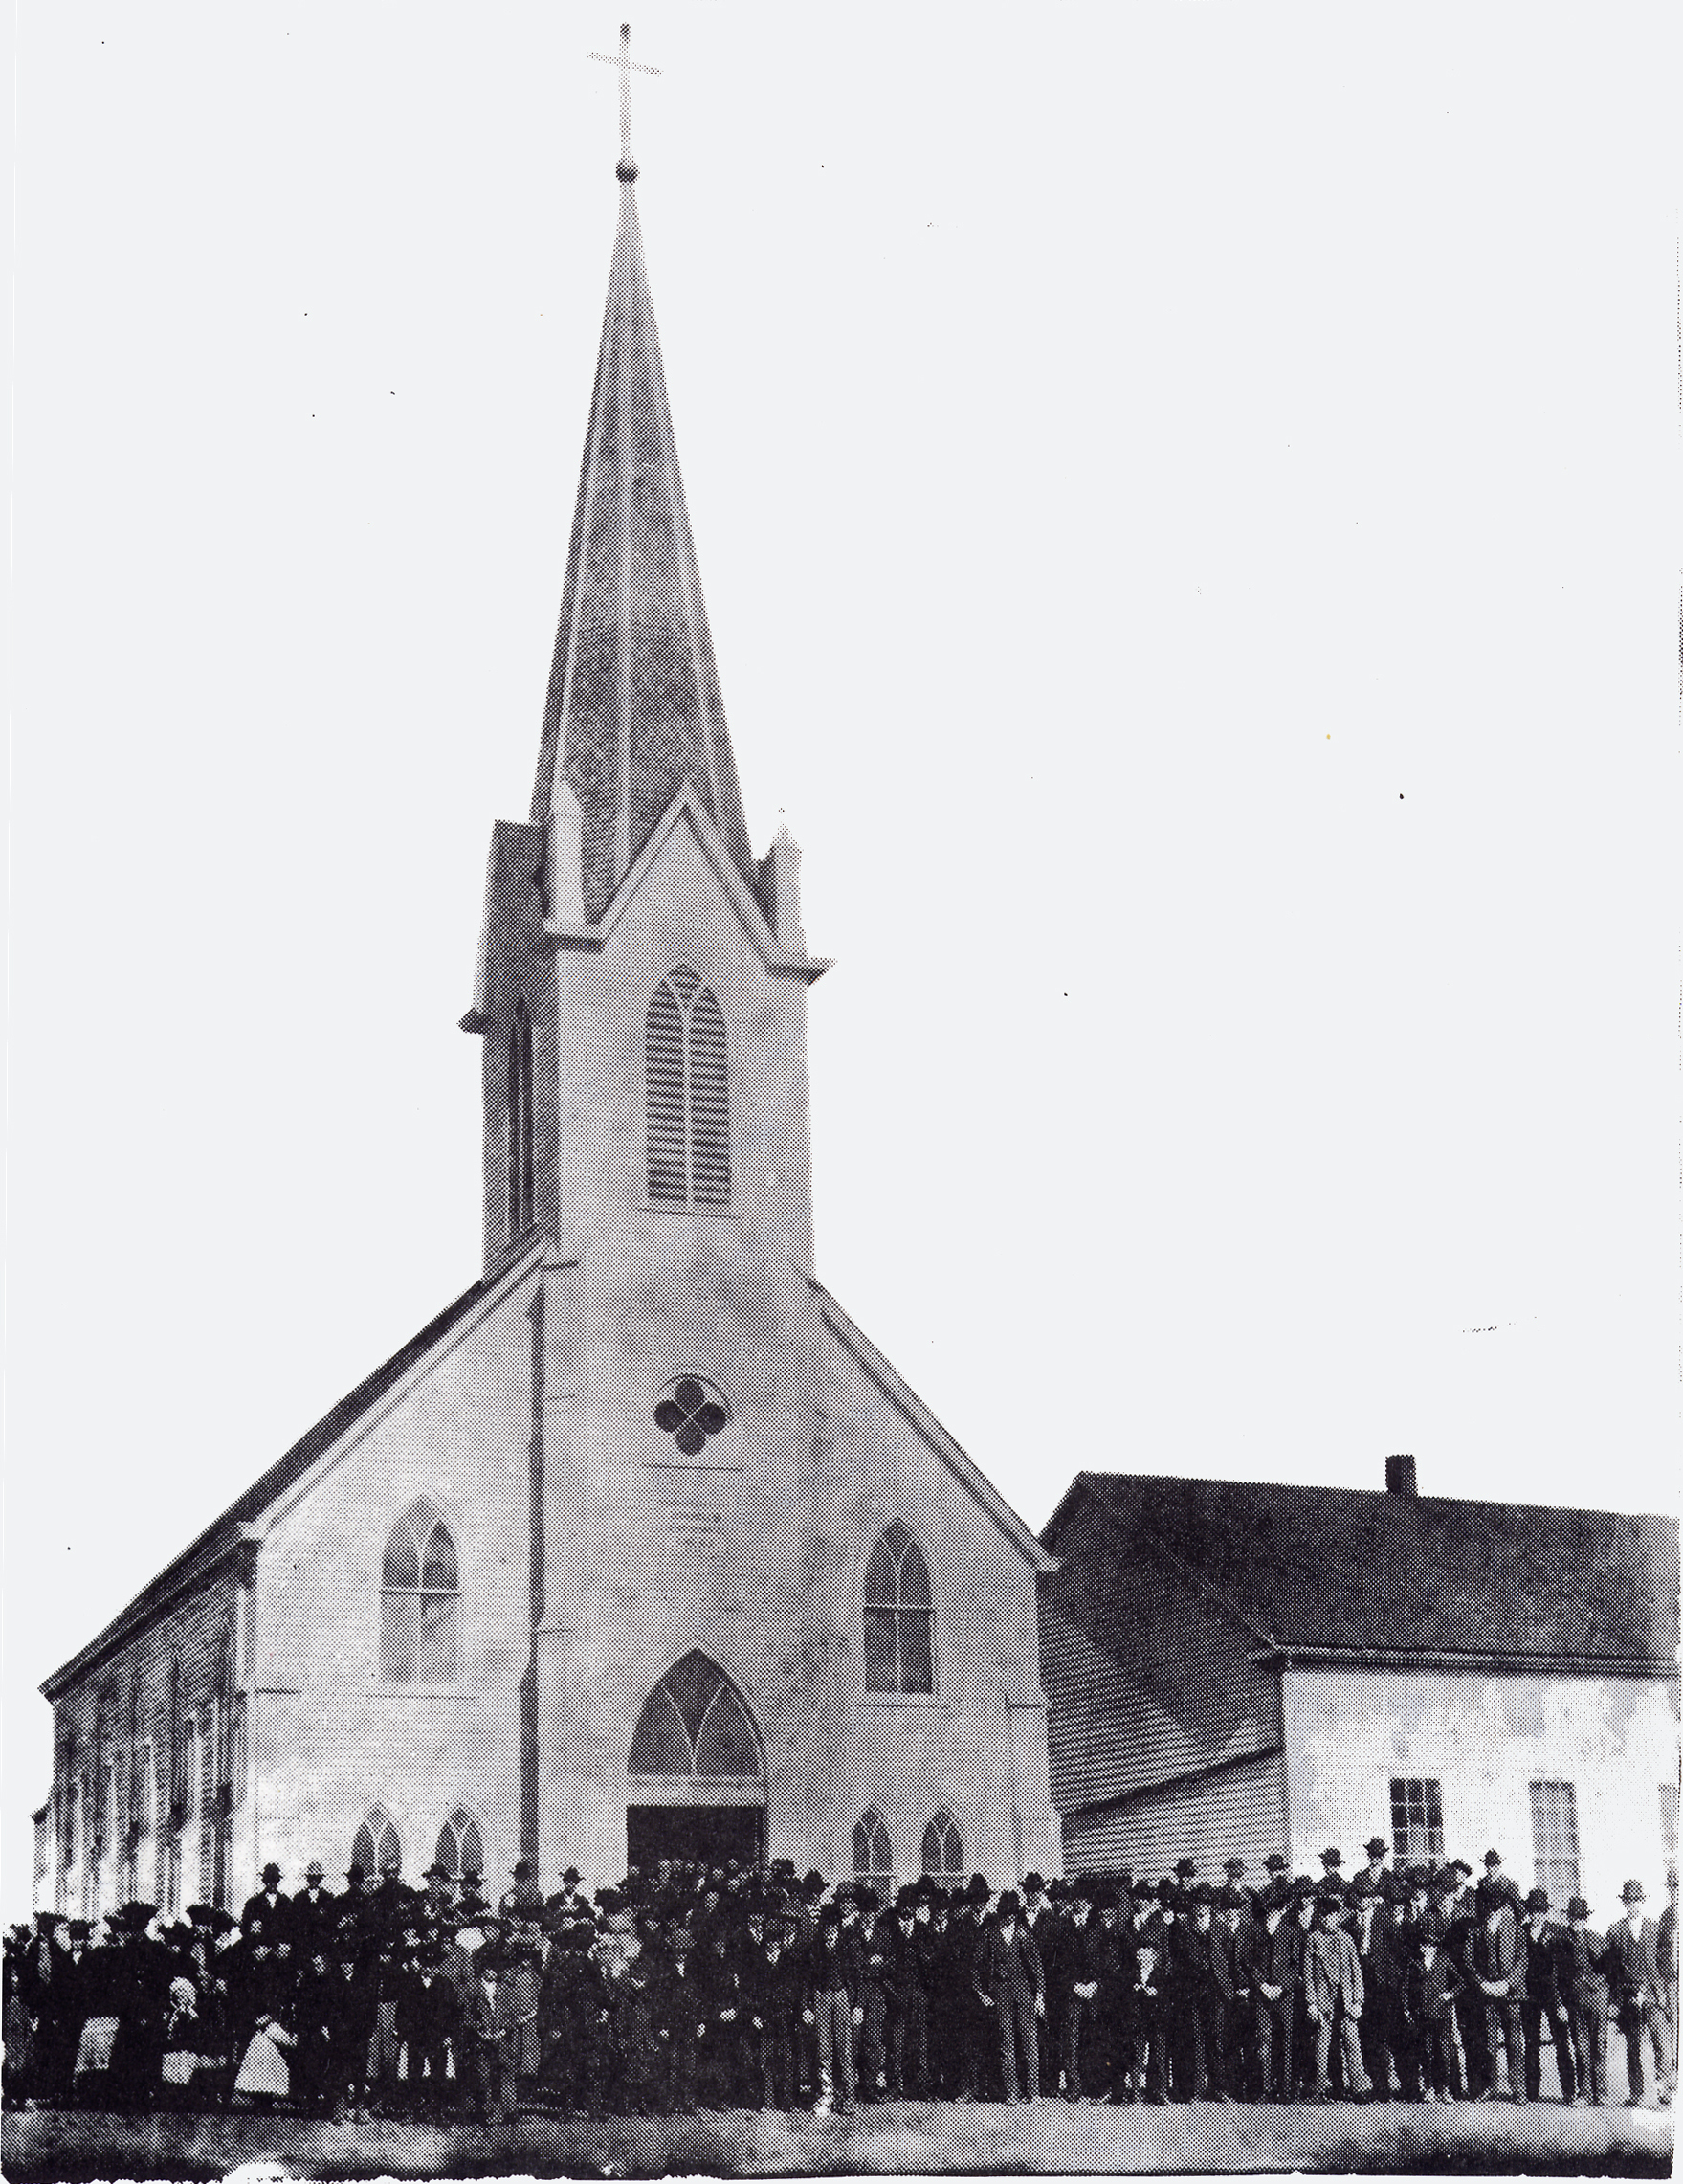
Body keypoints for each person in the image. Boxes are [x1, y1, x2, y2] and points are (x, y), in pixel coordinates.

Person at [1604, 1880, 1673, 2108]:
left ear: (1642, 1902)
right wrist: (1618, 1999)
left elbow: (1662, 1965)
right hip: (1628, 1997)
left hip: (1653, 1996)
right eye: (1629, 1901)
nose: (1633, 1905)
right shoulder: (1615, 1930)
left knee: (1661, 2041)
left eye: (1636, 1901)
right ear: (1624, 1903)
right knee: (1632, 2046)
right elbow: (1613, 1971)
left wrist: (1660, 1993)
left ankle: (1664, 2089)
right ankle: (1636, 2093)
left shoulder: (1655, 1928)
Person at [973, 1889, 1044, 2105]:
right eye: (1005, 1914)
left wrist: (1039, 1996)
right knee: (1006, 2043)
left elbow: (1037, 1967)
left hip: (1024, 1995)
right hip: (1001, 1996)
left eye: (1012, 1914)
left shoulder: (1024, 1934)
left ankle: (1033, 2093)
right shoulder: (989, 1935)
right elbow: (976, 1968)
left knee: (1030, 2042)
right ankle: (1012, 2093)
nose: (1009, 1918)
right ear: (1000, 1913)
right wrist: (982, 1994)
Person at [1305, 1893, 1371, 2102]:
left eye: (1332, 1916)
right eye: (1324, 1916)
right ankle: (1320, 2089)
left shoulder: (1347, 1939)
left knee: (1352, 2043)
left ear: (1338, 1916)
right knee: (1322, 2046)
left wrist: (1358, 2001)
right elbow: (1308, 1975)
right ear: (1320, 1917)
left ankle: (1358, 2088)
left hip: (1346, 2001)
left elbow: (1356, 1973)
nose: (1328, 1920)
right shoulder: (1313, 1939)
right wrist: (1312, 2003)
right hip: (1323, 2002)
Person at [1243, 1881, 1301, 2105]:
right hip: (1263, 1995)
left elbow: (1296, 1965)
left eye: (1276, 1909)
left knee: (1285, 2041)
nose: (1272, 1913)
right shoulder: (1255, 1932)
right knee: (1264, 2041)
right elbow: (1249, 1961)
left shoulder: (1291, 1933)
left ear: (1283, 1909)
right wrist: (1262, 1985)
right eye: (1268, 1909)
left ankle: (1285, 2088)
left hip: (1285, 1996)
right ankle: (1266, 2088)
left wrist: (1282, 1986)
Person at [1465, 1893, 1527, 2103]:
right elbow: (1469, 1961)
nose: (1492, 1913)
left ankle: (1518, 2088)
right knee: (1488, 2042)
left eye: (1496, 1909)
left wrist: (1507, 1983)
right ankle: (1489, 2087)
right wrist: (1482, 1984)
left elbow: (1522, 1961)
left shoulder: (1515, 1930)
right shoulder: (1475, 1932)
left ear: (1502, 1910)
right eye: (1488, 1909)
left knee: (1514, 2041)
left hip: (1510, 1994)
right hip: (1486, 1994)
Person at [804, 1903, 862, 2116]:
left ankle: (847, 2097)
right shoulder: (815, 1948)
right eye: (826, 1928)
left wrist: (857, 2005)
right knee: (824, 2048)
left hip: (842, 1997)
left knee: (845, 2048)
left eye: (833, 1928)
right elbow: (808, 1980)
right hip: (821, 1997)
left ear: (838, 1928)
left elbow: (857, 1977)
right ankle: (826, 2095)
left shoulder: (849, 1946)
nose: (830, 1932)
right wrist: (807, 2006)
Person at [1518, 1889, 1574, 2104]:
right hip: (1529, 1995)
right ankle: (1532, 2092)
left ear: (1546, 1912)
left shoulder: (1557, 1933)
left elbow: (1563, 1970)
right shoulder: (1521, 1932)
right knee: (1531, 2042)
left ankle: (1569, 2091)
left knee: (1561, 2041)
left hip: (1553, 1995)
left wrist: (1562, 2002)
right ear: (1529, 1912)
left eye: (1540, 1911)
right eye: (1533, 1911)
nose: (1537, 1915)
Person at [1402, 1920, 1463, 2103]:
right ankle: (1428, 2087)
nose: (1427, 1948)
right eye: (1424, 1944)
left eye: (1431, 1945)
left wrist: (1449, 1995)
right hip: (1422, 2015)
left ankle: (1443, 2089)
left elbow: (1460, 1983)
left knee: (1443, 2053)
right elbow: (1405, 1988)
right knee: (1426, 2052)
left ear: (1436, 1946)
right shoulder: (1414, 1964)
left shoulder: (1444, 1961)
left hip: (1442, 2015)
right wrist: (1407, 2009)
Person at [1559, 1896, 1609, 2107]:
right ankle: (1584, 2092)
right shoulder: (1561, 1943)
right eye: (1573, 1917)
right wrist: (1561, 2003)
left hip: (1597, 1999)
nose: (1576, 1921)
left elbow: (1610, 1970)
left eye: (1580, 1918)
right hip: (1575, 2001)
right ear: (1569, 1919)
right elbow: (1558, 1976)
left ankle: (1602, 2092)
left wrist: (1609, 1998)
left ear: (1585, 1919)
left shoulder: (1597, 1939)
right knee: (1581, 2047)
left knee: (1599, 2045)